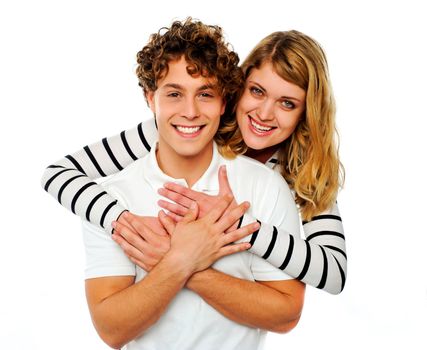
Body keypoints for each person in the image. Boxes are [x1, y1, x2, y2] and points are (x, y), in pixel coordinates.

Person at [41, 23, 346, 294]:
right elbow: (58, 174)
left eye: (287, 103)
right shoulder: (192, 126)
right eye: (257, 91)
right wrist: (124, 222)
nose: (264, 114)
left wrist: (239, 226)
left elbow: (333, 272)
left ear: (307, 113)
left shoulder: (304, 174)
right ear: (237, 89)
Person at [77, 19, 304, 349]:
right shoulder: (111, 199)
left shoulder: (264, 187)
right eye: (174, 94)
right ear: (149, 98)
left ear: (224, 102)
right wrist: (182, 260)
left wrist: (181, 263)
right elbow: (112, 329)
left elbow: (286, 314)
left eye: (205, 94)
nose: (190, 111)